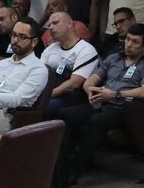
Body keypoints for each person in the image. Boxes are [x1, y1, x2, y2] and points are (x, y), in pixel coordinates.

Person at [64, 22, 144, 188]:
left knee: (97, 120)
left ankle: (76, 170)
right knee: (65, 115)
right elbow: (91, 80)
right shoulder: (114, 58)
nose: (129, 44)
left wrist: (114, 94)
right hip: (102, 101)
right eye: (128, 39)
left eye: (135, 42)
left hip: (126, 109)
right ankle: (63, 161)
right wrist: (91, 91)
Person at [35, 8, 102, 141]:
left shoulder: (85, 50)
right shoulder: (50, 49)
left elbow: (75, 83)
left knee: (42, 107)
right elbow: (37, 74)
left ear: (70, 24)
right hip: (46, 92)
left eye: (55, 23)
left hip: (70, 98)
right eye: (49, 25)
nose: (51, 28)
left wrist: (46, 95)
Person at [0, 16, 48, 131]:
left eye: (22, 37)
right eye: (14, 35)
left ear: (34, 42)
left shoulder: (38, 69)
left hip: (7, 119)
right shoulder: (3, 63)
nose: (15, 40)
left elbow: (17, 100)